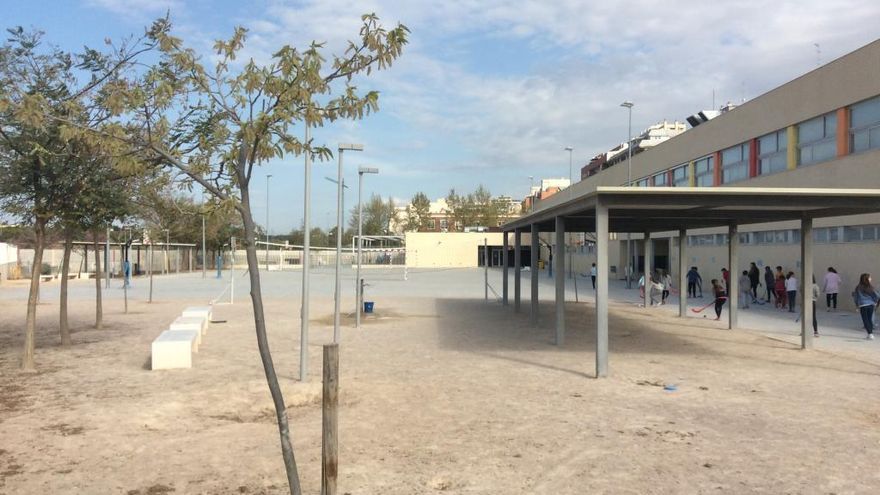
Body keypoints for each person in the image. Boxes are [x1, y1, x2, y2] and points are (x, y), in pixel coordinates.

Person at [853, 273, 879, 340]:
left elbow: (856, 297)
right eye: (870, 278)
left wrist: (857, 305)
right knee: (869, 319)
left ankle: (870, 334)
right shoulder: (870, 287)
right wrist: (875, 302)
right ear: (867, 279)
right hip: (871, 305)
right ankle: (870, 334)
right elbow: (877, 295)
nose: (871, 279)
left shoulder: (858, 287)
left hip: (863, 305)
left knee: (865, 320)